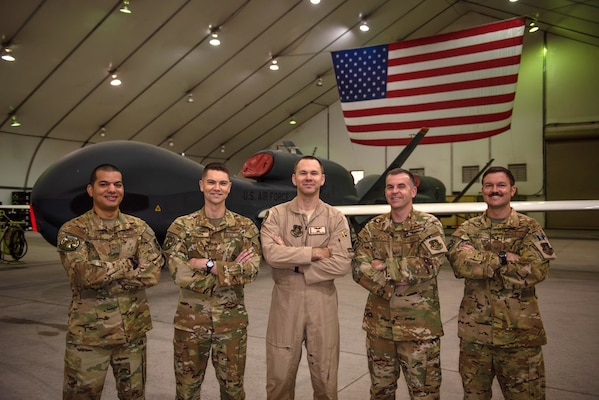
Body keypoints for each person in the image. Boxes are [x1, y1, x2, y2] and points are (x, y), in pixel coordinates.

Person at [446, 166, 556, 399]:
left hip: (519, 337)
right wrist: (504, 258)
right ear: (483, 191)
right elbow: (459, 264)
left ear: (512, 190)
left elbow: (535, 270)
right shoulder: (468, 228)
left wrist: (481, 262)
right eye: (489, 185)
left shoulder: (529, 228)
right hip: (476, 336)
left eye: (501, 185)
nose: (494, 190)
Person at [57, 163, 164, 399]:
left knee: (134, 396)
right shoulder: (73, 230)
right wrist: (129, 265)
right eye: (103, 184)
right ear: (90, 189)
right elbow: (83, 275)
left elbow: (153, 273)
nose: (111, 189)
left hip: (132, 335)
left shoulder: (139, 228)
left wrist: (105, 275)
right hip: (90, 337)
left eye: (117, 184)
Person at [162, 162, 261, 400]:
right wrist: (229, 272)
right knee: (186, 390)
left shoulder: (244, 227)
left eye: (222, 183)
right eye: (211, 182)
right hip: (190, 325)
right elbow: (179, 273)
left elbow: (252, 270)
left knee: (233, 391)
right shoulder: (182, 227)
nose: (217, 187)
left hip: (231, 326)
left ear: (229, 188)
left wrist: (207, 265)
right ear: (201, 185)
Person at [260, 155, 353, 400]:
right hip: (285, 302)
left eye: (313, 173)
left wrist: (297, 264)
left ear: (322, 179)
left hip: (321, 301)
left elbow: (342, 262)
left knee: (325, 376)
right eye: (303, 173)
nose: (308, 178)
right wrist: (315, 253)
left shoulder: (335, 218)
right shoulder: (276, 216)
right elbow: (271, 254)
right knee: (279, 376)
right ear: (294, 179)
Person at [352, 168, 446, 400]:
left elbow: (430, 265)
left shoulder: (428, 225)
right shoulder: (374, 227)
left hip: (419, 330)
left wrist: (384, 266)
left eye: (401, 186)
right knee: (381, 392)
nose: (395, 191)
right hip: (380, 329)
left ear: (413, 191)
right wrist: (394, 280)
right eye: (390, 187)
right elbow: (357, 268)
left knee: (424, 393)